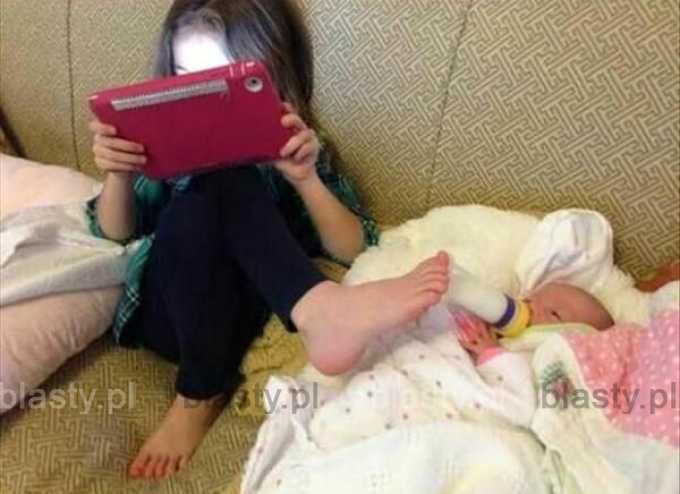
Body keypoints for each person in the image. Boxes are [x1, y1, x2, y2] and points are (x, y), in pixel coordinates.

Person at [87, 0, 450, 480]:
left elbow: (356, 248)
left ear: (270, 76)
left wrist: (306, 180)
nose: (203, 104)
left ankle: (320, 310)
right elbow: (113, 230)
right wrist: (116, 174)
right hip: (170, 313)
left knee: (234, 177)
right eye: (186, 78)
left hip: (244, 313)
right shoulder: (158, 154)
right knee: (212, 184)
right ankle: (201, 391)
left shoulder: (295, 146)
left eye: (220, 83)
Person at [456, 282, 614, 365]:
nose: (531, 305)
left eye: (554, 314)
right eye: (531, 298)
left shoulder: (547, 354)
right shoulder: (501, 322)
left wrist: (492, 354)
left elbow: (524, 383)